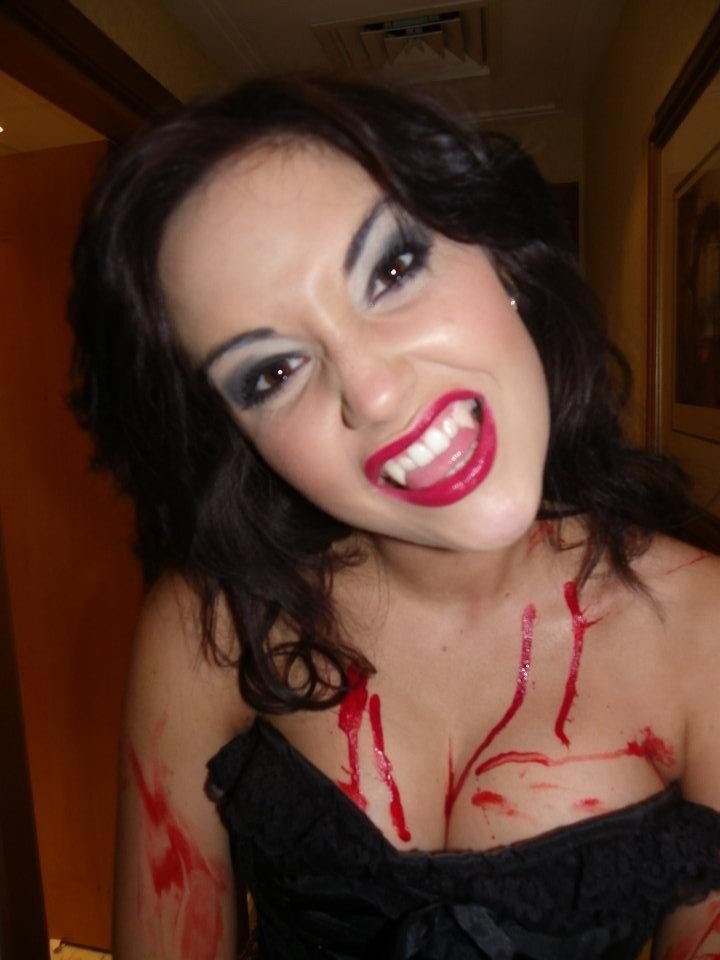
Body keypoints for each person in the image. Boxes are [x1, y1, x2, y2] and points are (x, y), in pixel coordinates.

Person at [69, 75, 720, 960]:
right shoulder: (209, 629)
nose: (373, 392)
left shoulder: (705, 634)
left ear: (498, 255)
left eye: (392, 269)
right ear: (239, 439)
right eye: (272, 373)